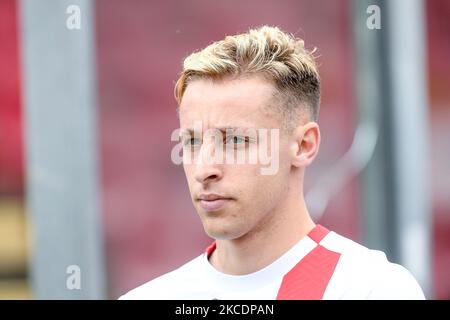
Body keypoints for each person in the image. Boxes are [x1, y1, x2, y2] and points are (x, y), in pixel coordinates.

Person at [120, 25, 425, 300]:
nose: (204, 169)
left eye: (236, 141)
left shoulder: (371, 289)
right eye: (193, 142)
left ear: (304, 145)